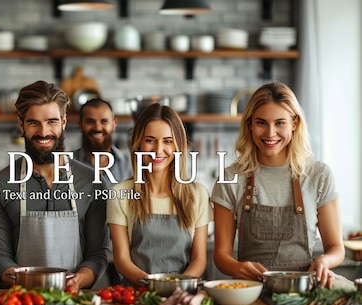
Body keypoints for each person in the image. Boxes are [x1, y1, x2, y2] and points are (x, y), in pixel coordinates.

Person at [211, 81, 346, 288]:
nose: (270, 133)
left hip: (305, 290)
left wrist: (324, 261)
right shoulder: (230, 178)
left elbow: (336, 247)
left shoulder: (319, 175)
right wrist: (239, 268)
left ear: (294, 123)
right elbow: (221, 255)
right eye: (261, 123)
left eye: (280, 123)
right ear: (249, 124)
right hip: (251, 291)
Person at [0, 80, 108, 292]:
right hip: (23, 300)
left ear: (64, 122)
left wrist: (78, 280)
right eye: (34, 123)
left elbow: (98, 254)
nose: (43, 132)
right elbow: (0, 255)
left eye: (52, 122)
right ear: (21, 125)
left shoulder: (92, 181)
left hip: (76, 301)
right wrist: (27, 284)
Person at [107, 103, 212, 285]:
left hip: (182, 294)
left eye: (168, 141)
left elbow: (199, 260)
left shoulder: (198, 193)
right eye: (150, 140)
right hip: (138, 295)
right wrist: (155, 285)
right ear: (138, 143)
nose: (158, 150)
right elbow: (122, 261)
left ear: (179, 146)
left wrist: (178, 286)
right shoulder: (120, 194)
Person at [73, 98, 132, 185]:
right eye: (90, 122)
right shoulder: (65, 163)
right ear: (80, 124)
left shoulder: (130, 164)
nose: (97, 128)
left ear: (114, 124)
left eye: (104, 121)